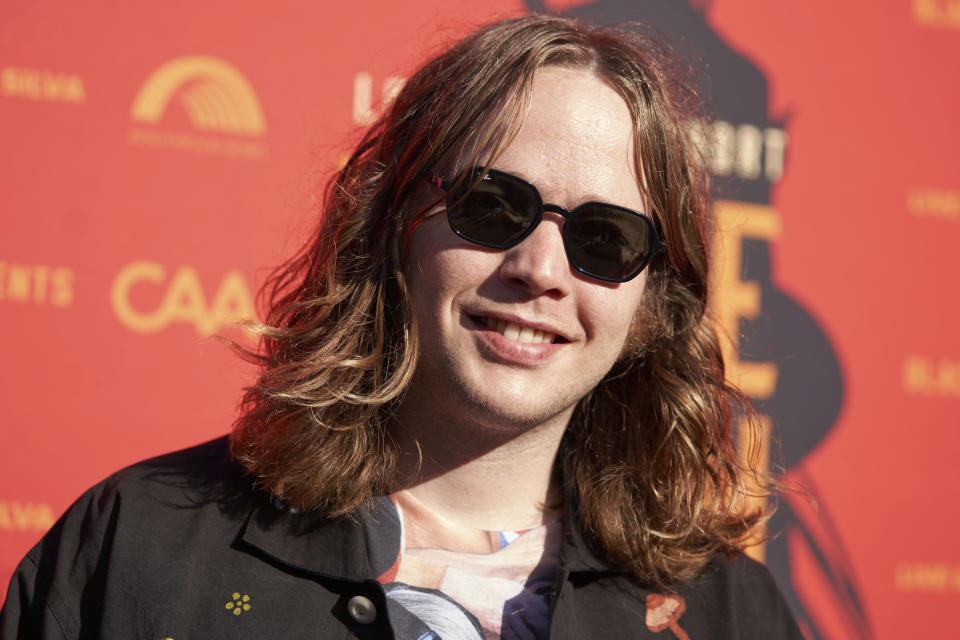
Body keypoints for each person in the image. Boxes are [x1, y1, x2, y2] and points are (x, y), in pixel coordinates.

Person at [1, 15, 803, 639]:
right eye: (493, 206)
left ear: (652, 300)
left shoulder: (729, 614)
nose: (542, 269)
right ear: (392, 223)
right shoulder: (140, 546)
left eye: (606, 239)